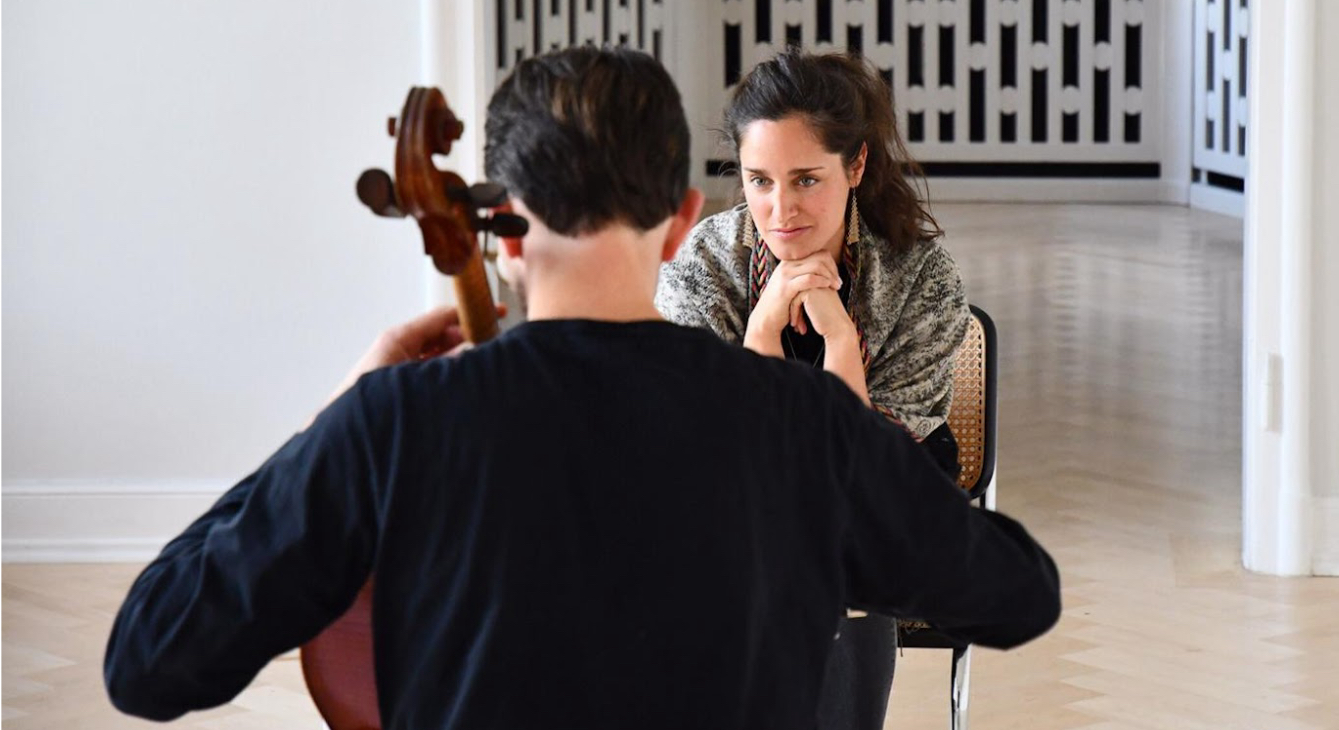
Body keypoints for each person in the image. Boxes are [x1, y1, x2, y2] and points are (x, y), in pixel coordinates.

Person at [105, 45, 1059, 729]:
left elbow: (149, 664)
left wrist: (334, 420)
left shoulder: (394, 424)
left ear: (502, 226)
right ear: (686, 218)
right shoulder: (802, 425)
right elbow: (1019, 594)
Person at [655, 48, 971, 730]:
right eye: (758, 181)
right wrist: (764, 329)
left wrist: (838, 343)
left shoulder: (921, 275)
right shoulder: (701, 265)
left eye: (805, 180)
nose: (779, 208)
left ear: (854, 166)